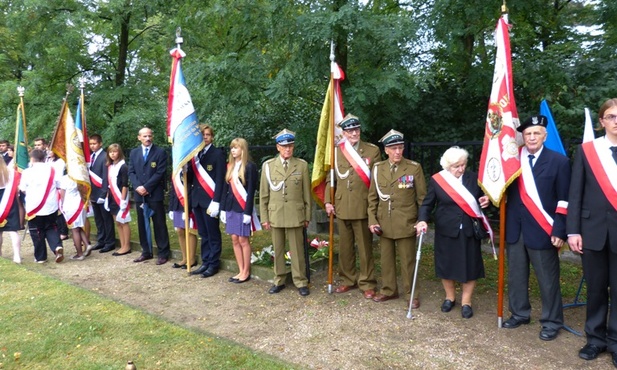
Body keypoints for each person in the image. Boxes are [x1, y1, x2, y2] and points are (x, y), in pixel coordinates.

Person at [503, 115, 571, 340]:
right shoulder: (513, 160)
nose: (531, 137)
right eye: (528, 133)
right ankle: (520, 313)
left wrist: (560, 230)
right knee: (516, 275)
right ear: (523, 136)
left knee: (547, 278)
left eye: (536, 133)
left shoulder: (559, 161)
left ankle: (552, 321)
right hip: (515, 228)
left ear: (545, 136)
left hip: (544, 229)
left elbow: (564, 200)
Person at [567, 99, 617, 366]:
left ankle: (616, 342)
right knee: (596, 289)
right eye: (611, 117)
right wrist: (572, 230)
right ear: (602, 121)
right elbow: (575, 194)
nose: (616, 121)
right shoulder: (588, 151)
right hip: (592, 231)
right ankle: (595, 340)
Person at [416, 147, 490, 319]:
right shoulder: (438, 181)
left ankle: (466, 301)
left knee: (470, 265)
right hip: (446, 229)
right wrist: (422, 219)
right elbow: (427, 204)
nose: (461, 169)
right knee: (446, 264)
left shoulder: (473, 178)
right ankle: (450, 298)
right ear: (448, 166)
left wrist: (486, 200)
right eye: (457, 166)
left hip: (469, 229)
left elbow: (483, 198)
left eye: (463, 165)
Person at [367, 129, 427, 305]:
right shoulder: (378, 168)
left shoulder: (413, 168)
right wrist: (372, 220)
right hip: (384, 222)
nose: (398, 152)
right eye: (393, 149)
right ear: (386, 150)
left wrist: (421, 221)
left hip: (406, 223)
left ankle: (411, 294)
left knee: (408, 261)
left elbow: (422, 198)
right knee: (386, 260)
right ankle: (389, 289)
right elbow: (372, 197)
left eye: (400, 147)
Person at [324, 114, 381, 299]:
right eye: (349, 130)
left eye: (356, 129)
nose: (354, 133)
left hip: (362, 206)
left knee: (365, 248)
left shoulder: (372, 151)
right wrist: (327, 201)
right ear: (344, 132)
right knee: (346, 247)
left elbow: (377, 182)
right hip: (341, 206)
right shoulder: (336, 151)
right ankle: (348, 279)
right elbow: (329, 179)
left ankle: (367, 282)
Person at [260, 129, 312, 296]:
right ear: (278, 147)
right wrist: (265, 217)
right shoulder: (268, 166)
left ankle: (300, 281)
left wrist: (307, 215)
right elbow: (263, 195)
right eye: (284, 146)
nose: (288, 149)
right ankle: (279, 279)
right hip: (275, 214)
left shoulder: (301, 165)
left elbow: (306, 194)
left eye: (290, 146)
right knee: (278, 249)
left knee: (297, 250)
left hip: (296, 214)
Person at [128, 127, 170, 265]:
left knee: (159, 224)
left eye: (149, 136)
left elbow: (160, 172)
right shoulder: (134, 153)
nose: (147, 138)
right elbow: (131, 172)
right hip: (140, 195)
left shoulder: (160, 152)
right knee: (142, 224)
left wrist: (147, 187)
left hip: (155, 194)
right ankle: (146, 251)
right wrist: (138, 187)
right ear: (139, 137)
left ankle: (163, 253)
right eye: (144, 136)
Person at [188, 124, 226, 278]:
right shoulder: (195, 155)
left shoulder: (217, 154)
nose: (205, 137)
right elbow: (191, 179)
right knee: (203, 233)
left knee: (212, 233)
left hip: (210, 202)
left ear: (212, 137)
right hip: (197, 201)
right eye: (202, 135)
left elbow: (220, 180)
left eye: (207, 135)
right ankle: (205, 261)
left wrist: (217, 201)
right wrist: (186, 170)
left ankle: (213, 264)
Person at [220, 138, 259, 284]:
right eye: (232, 147)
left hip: (242, 208)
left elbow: (250, 191)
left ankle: (246, 271)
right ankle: (240, 269)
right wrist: (223, 209)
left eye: (236, 147)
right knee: (234, 239)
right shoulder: (229, 166)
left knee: (243, 239)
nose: (233, 150)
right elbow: (225, 189)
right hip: (230, 207)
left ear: (243, 149)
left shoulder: (250, 166)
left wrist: (248, 212)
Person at [19, 149, 63, 263]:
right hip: (51, 205)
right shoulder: (53, 170)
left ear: (32, 159)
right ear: (44, 158)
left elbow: (22, 188)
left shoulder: (27, 172)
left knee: (36, 231)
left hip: (34, 207)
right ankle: (57, 246)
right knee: (52, 227)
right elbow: (60, 185)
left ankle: (41, 257)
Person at [88, 134, 116, 254]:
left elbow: (106, 176)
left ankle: (110, 242)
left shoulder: (105, 156)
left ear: (100, 144)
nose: (92, 146)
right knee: (98, 219)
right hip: (93, 193)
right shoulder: (90, 157)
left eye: (94, 144)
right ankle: (101, 240)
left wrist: (104, 193)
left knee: (106, 218)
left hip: (102, 193)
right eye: (91, 144)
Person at [106, 144, 132, 256]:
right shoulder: (110, 166)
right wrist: (107, 198)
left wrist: (123, 200)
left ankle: (127, 246)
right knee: (117, 222)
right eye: (110, 152)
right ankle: (122, 245)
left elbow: (124, 185)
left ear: (119, 153)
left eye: (115, 152)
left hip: (121, 197)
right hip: (112, 197)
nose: (112, 154)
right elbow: (109, 184)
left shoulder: (123, 166)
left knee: (124, 221)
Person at [59, 174, 89, 260]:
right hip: (80, 205)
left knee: (74, 230)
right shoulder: (81, 176)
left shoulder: (65, 178)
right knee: (79, 228)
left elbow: (62, 195)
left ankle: (79, 253)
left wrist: (62, 206)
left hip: (70, 206)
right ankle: (87, 244)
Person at [168, 180, 197, 269]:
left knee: (190, 231)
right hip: (177, 203)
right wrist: (171, 207)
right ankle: (185, 258)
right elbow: (173, 190)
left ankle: (191, 259)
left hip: (189, 202)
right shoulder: (176, 170)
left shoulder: (190, 167)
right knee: (180, 230)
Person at [0, 158, 22, 263]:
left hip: (4, 201)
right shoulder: (11, 172)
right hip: (10, 202)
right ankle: (17, 256)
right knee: (13, 231)